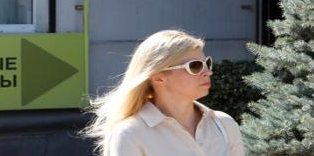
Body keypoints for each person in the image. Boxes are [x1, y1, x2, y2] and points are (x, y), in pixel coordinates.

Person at [82, 29, 244, 156]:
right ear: (158, 78)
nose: (208, 72)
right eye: (195, 66)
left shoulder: (224, 124)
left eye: (207, 63)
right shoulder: (129, 133)